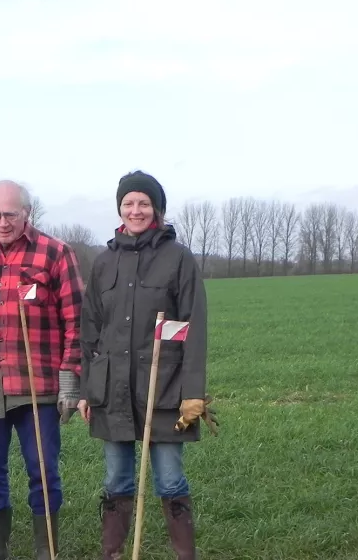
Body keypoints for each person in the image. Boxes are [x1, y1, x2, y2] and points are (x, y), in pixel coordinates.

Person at [76, 170, 216, 560]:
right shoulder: (104, 262)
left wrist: (192, 393)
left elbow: (194, 327)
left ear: (157, 208)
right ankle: (112, 553)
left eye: (143, 203)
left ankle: (184, 555)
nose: (136, 210)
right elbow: (90, 331)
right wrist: (89, 389)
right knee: (116, 478)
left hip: (165, 386)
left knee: (170, 479)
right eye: (128, 203)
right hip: (112, 389)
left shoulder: (179, 258)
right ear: (119, 209)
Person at [0, 179, 84, 560]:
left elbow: (77, 322)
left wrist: (68, 382)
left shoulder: (56, 254)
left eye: (10, 213)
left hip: (38, 388)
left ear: (27, 212)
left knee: (42, 471)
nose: (2, 222)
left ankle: (46, 548)